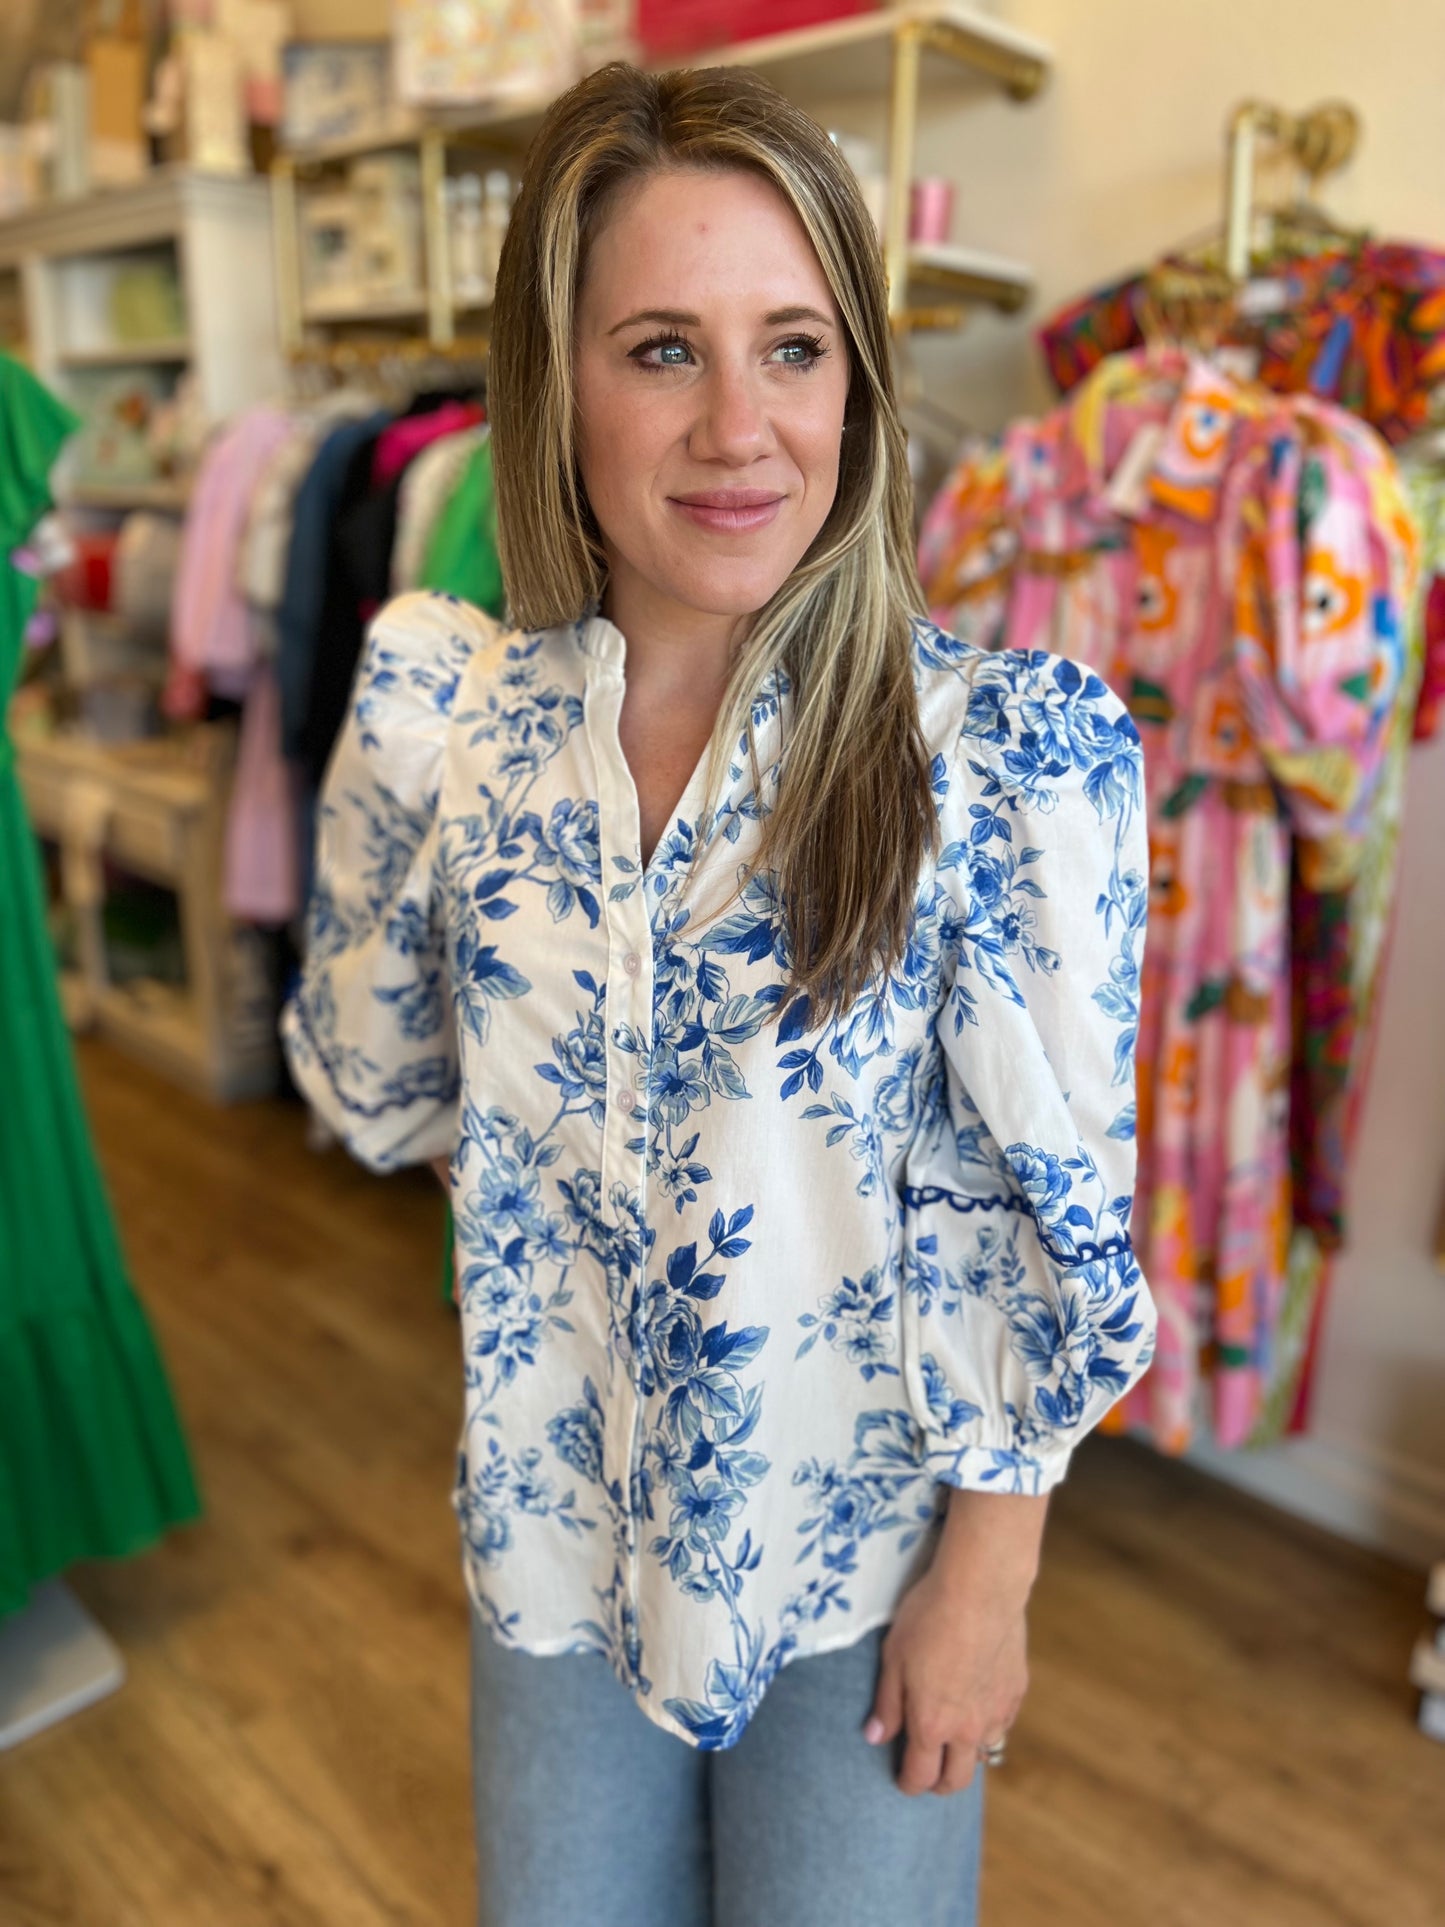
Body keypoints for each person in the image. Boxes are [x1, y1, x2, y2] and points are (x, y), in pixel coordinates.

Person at [282, 59, 1157, 1927]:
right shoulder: (454, 724)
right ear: (556, 382)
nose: (740, 429)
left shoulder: (985, 763)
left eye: (795, 348)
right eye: (663, 349)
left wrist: (987, 1583)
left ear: (858, 383)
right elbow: (388, 1086)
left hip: (856, 1579)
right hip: (549, 1553)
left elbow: (1043, 1224)